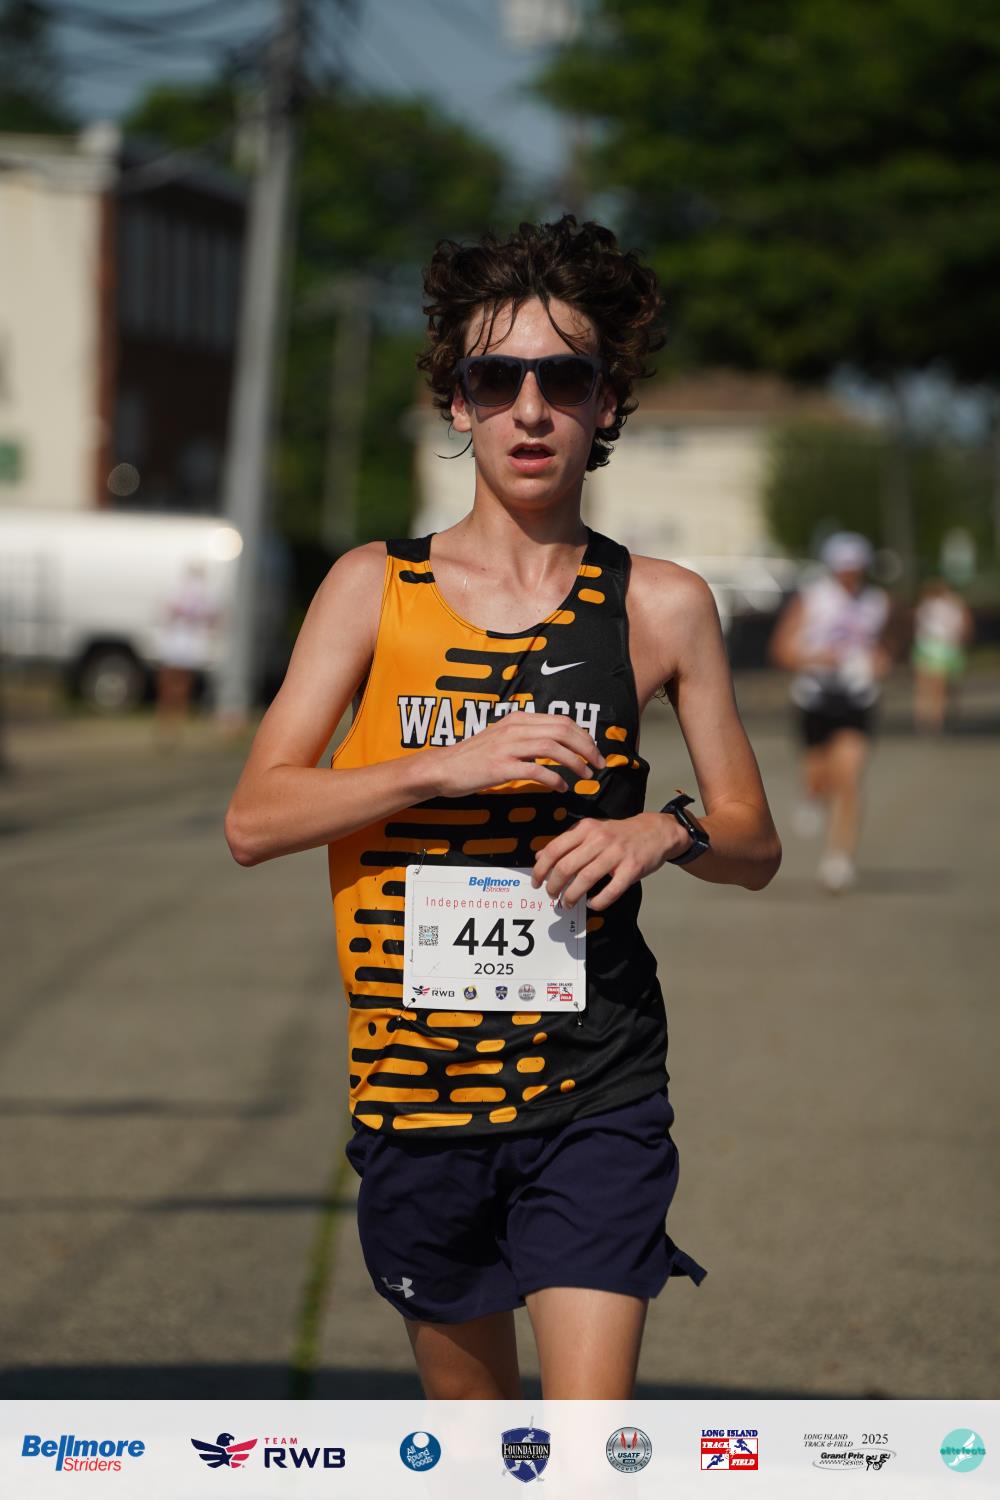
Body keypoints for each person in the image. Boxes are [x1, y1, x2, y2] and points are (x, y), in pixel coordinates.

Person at [225, 216, 781, 1399]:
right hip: (416, 1092)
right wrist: (440, 766)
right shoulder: (371, 588)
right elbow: (255, 820)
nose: (530, 410)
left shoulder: (661, 604)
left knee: (583, 1453)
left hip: (597, 1080)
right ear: (457, 402)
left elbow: (752, 841)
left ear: (606, 402)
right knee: (476, 1450)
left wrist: (663, 829)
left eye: (563, 379)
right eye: (496, 379)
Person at [769, 532, 892, 893]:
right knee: (818, 775)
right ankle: (810, 795)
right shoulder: (812, 598)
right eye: (844, 568)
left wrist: (880, 661)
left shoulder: (877, 602)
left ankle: (839, 859)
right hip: (815, 698)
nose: (850, 575)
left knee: (849, 777)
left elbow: (885, 647)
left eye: (856, 568)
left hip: (857, 699)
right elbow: (781, 650)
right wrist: (815, 658)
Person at [155, 561, 220, 740]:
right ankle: (171, 719)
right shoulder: (194, 591)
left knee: (177, 682)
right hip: (181, 643)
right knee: (175, 682)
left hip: (186, 643)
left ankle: (172, 719)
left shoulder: (199, 592)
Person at [911, 576, 973, 733]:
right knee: (934, 686)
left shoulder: (943, 604)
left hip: (938, 647)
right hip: (936, 646)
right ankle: (931, 718)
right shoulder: (937, 604)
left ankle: (931, 718)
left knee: (933, 686)